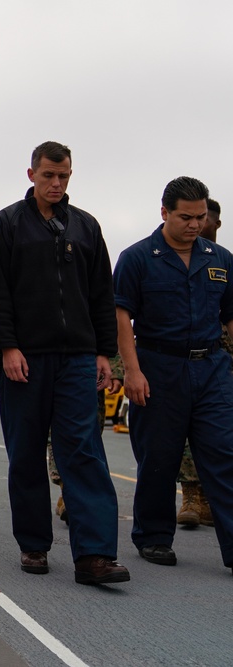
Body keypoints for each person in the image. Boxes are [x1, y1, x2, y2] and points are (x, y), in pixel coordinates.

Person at [0, 140, 128, 585]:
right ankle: (34, 545)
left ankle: (95, 556)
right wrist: (6, 346)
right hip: (25, 359)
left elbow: (102, 294)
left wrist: (104, 351)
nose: (56, 183)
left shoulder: (85, 227)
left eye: (63, 176)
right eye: (48, 175)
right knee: (25, 452)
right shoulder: (8, 224)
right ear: (32, 175)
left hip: (78, 359)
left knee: (83, 451)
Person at [114, 177, 233, 573]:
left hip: (212, 369)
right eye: (186, 217)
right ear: (164, 212)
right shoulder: (137, 258)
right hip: (158, 368)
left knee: (224, 455)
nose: (195, 224)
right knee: (159, 458)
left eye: (201, 217)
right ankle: (153, 537)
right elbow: (121, 317)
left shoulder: (220, 258)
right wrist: (132, 371)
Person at [176, 198, 225, 528]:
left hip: (223, 361)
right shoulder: (173, 261)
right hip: (186, 361)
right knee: (187, 433)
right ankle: (192, 495)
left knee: (222, 438)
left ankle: (213, 499)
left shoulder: (226, 263)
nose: (197, 225)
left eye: (204, 219)